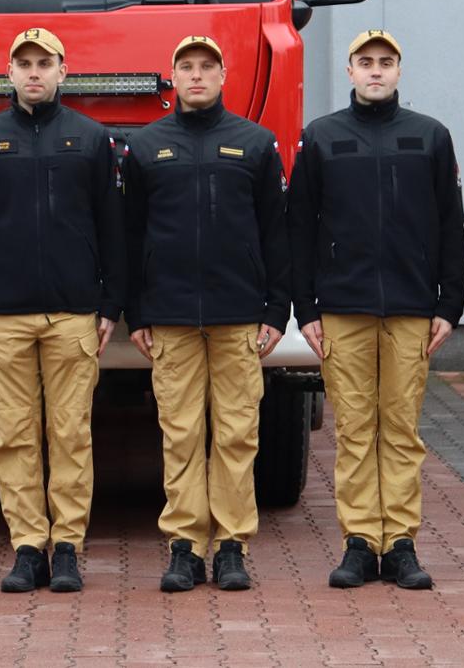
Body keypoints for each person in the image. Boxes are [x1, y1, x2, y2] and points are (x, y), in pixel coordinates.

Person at [287, 30, 462, 590]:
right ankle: (361, 541)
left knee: (402, 428)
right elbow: (300, 228)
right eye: (367, 62)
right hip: (343, 308)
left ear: (399, 72)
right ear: (350, 71)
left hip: (411, 307)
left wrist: (448, 303)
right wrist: (306, 307)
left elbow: (449, 224)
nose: (376, 71)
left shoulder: (430, 137)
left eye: (386, 62)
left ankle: (402, 543)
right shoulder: (321, 137)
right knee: (357, 429)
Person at [0, 28, 125, 593]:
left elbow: (112, 227)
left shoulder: (91, 139)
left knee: (71, 434)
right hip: (2, 316)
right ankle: (28, 547)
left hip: (73, 315)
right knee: (15, 436)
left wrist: (109, 304)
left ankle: (69, 547)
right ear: (8, 73)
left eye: (44, 63)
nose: (34, 73)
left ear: (63, 71)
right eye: (23, 63)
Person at [122, 35, 289, 592]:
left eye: (206, 67)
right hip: (169, 316)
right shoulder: (145, 148)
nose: (197, 76)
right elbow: (130, 234)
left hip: (239, 313)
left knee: (238, 433)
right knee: (181, 432)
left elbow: (276, 234)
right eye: (186, 66)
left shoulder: (257, 144)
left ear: (223, 77)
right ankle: (186, 547)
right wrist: (136, 312)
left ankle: (233, 546)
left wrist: (275, 309)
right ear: (173, 76)